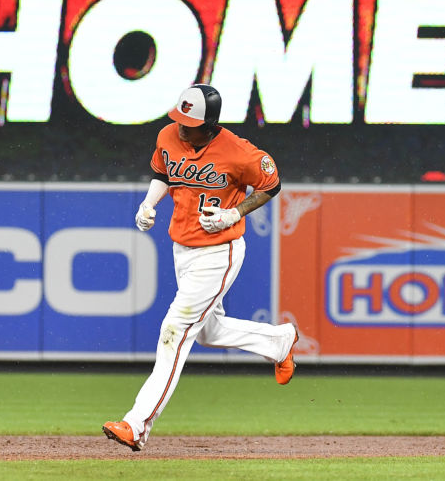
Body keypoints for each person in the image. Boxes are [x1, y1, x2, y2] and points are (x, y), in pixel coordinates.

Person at [102, 84, 299, 452]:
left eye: (188, 123)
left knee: (174, 330)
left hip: (218, 252)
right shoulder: (167, 135)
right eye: (178, 119)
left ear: (210, 125)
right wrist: (149, 204)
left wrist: (234, 213)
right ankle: (277, 341)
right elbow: (163, 173)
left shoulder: (238, 152)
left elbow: (272, 183)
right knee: (206, 331)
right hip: (183, 247)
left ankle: (136, 424)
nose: (180, 128)